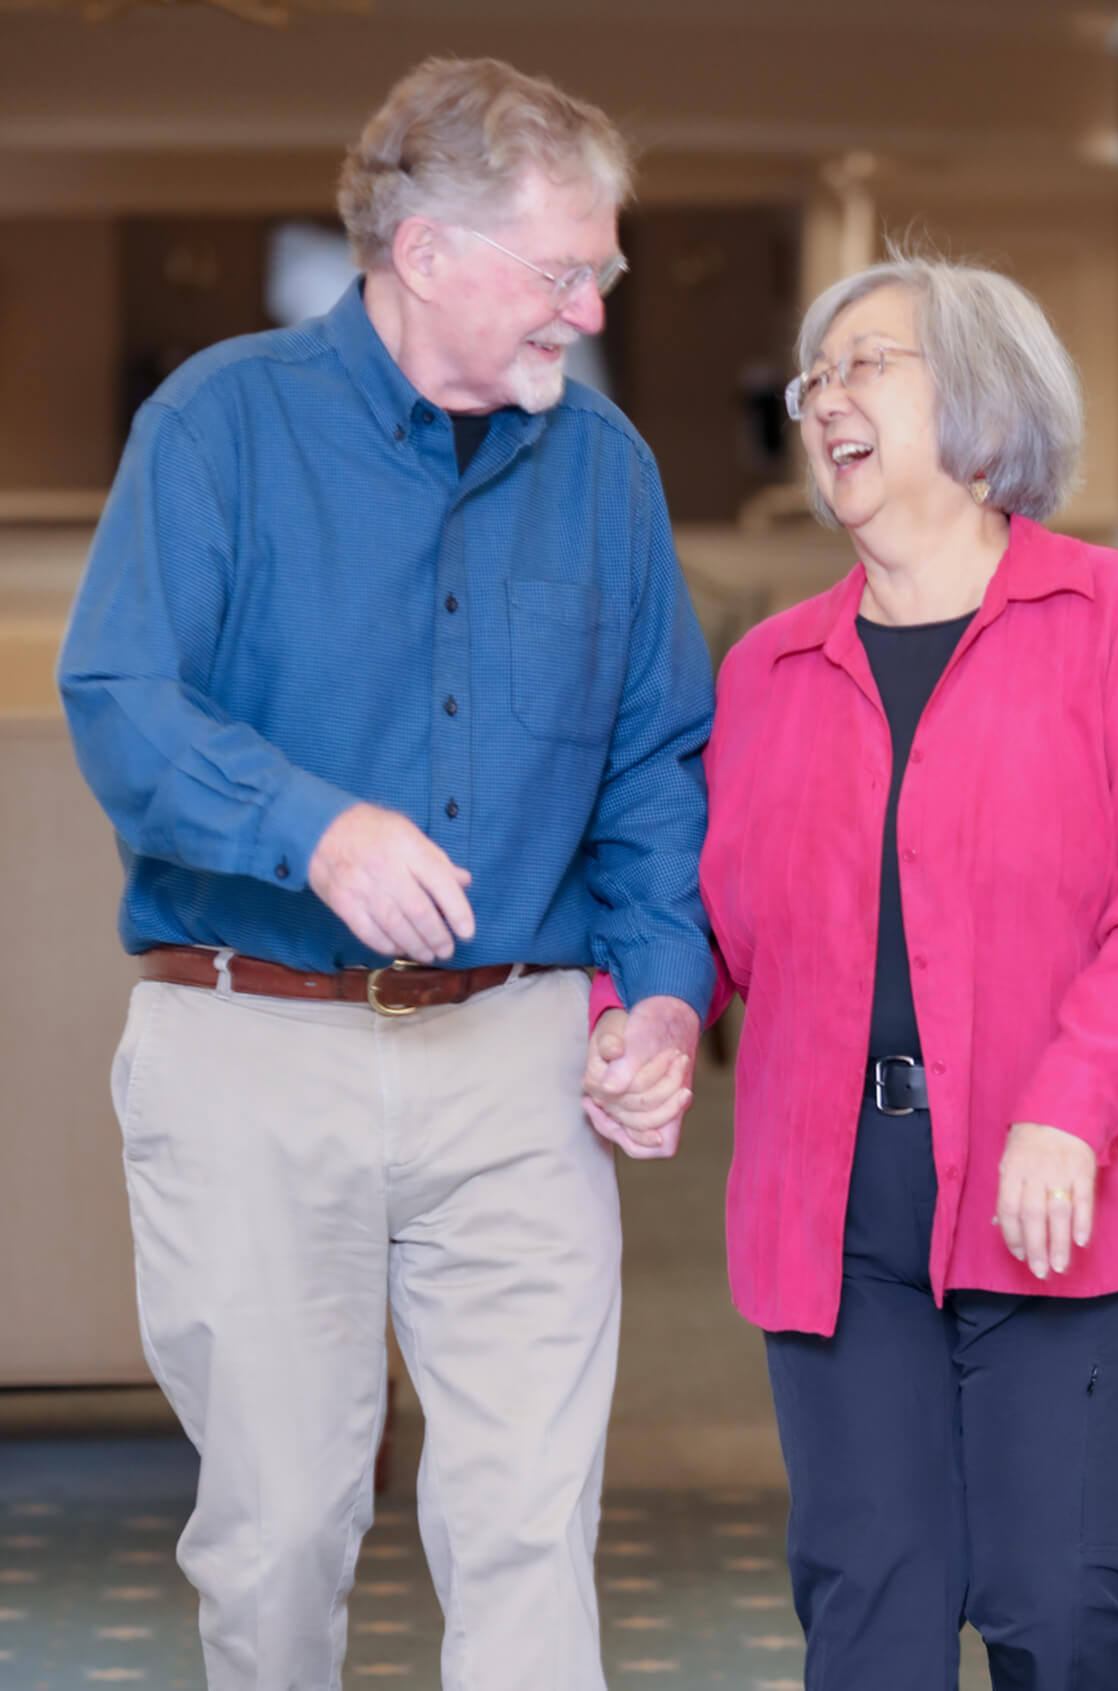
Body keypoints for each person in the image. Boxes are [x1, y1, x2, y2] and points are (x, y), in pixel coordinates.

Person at [59, 55, 712, 1691]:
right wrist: (314, 827)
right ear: (425, 253)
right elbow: (120, 699)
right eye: (563, 272)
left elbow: (651, 769)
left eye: (603, 275)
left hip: (515, 1056)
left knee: (528, 1523)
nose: (587, 309)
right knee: (281, 1530)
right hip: (250, 1045)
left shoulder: (607, 473)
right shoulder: (221, 425)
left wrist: (667, 997)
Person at [588, 249, 1118, 1689]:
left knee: (1059, 1603)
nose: (826, 399)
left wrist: (1071, 1104)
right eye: (816, 377)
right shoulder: (767, 670)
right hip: (840, 1214)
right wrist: (645, 1011)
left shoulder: (1109, 621)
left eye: (867, 365)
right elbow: (706, 913)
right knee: (869, 1608)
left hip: (1062, 1196)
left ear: (984, 407)